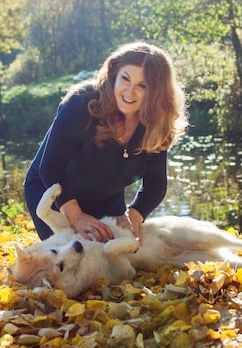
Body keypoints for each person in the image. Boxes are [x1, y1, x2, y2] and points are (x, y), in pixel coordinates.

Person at [24, 41, 189, 241]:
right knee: (74, 261)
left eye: (142, 86)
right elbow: (51, 167)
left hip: (106, 197)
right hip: (52, 192)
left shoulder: (156, 122)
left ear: (156, 91)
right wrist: (76, 217)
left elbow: (155, 183)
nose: (130, 92)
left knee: (114, 262)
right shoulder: (81, 103)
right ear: (114, 73)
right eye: (125, 79)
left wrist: (133, 215)